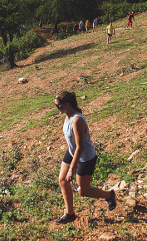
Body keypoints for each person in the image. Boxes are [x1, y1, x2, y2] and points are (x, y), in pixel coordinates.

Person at [54, 91, 117, 224]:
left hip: (85, 157)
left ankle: (110, 196)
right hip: (72, 152)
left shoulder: (77, 120)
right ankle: (70, 214)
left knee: (83, 192)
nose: (56, 109)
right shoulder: (67, 116)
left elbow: (80, 147)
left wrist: (72, 169)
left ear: (66, 104)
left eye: (57, 106)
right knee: (62, 180)